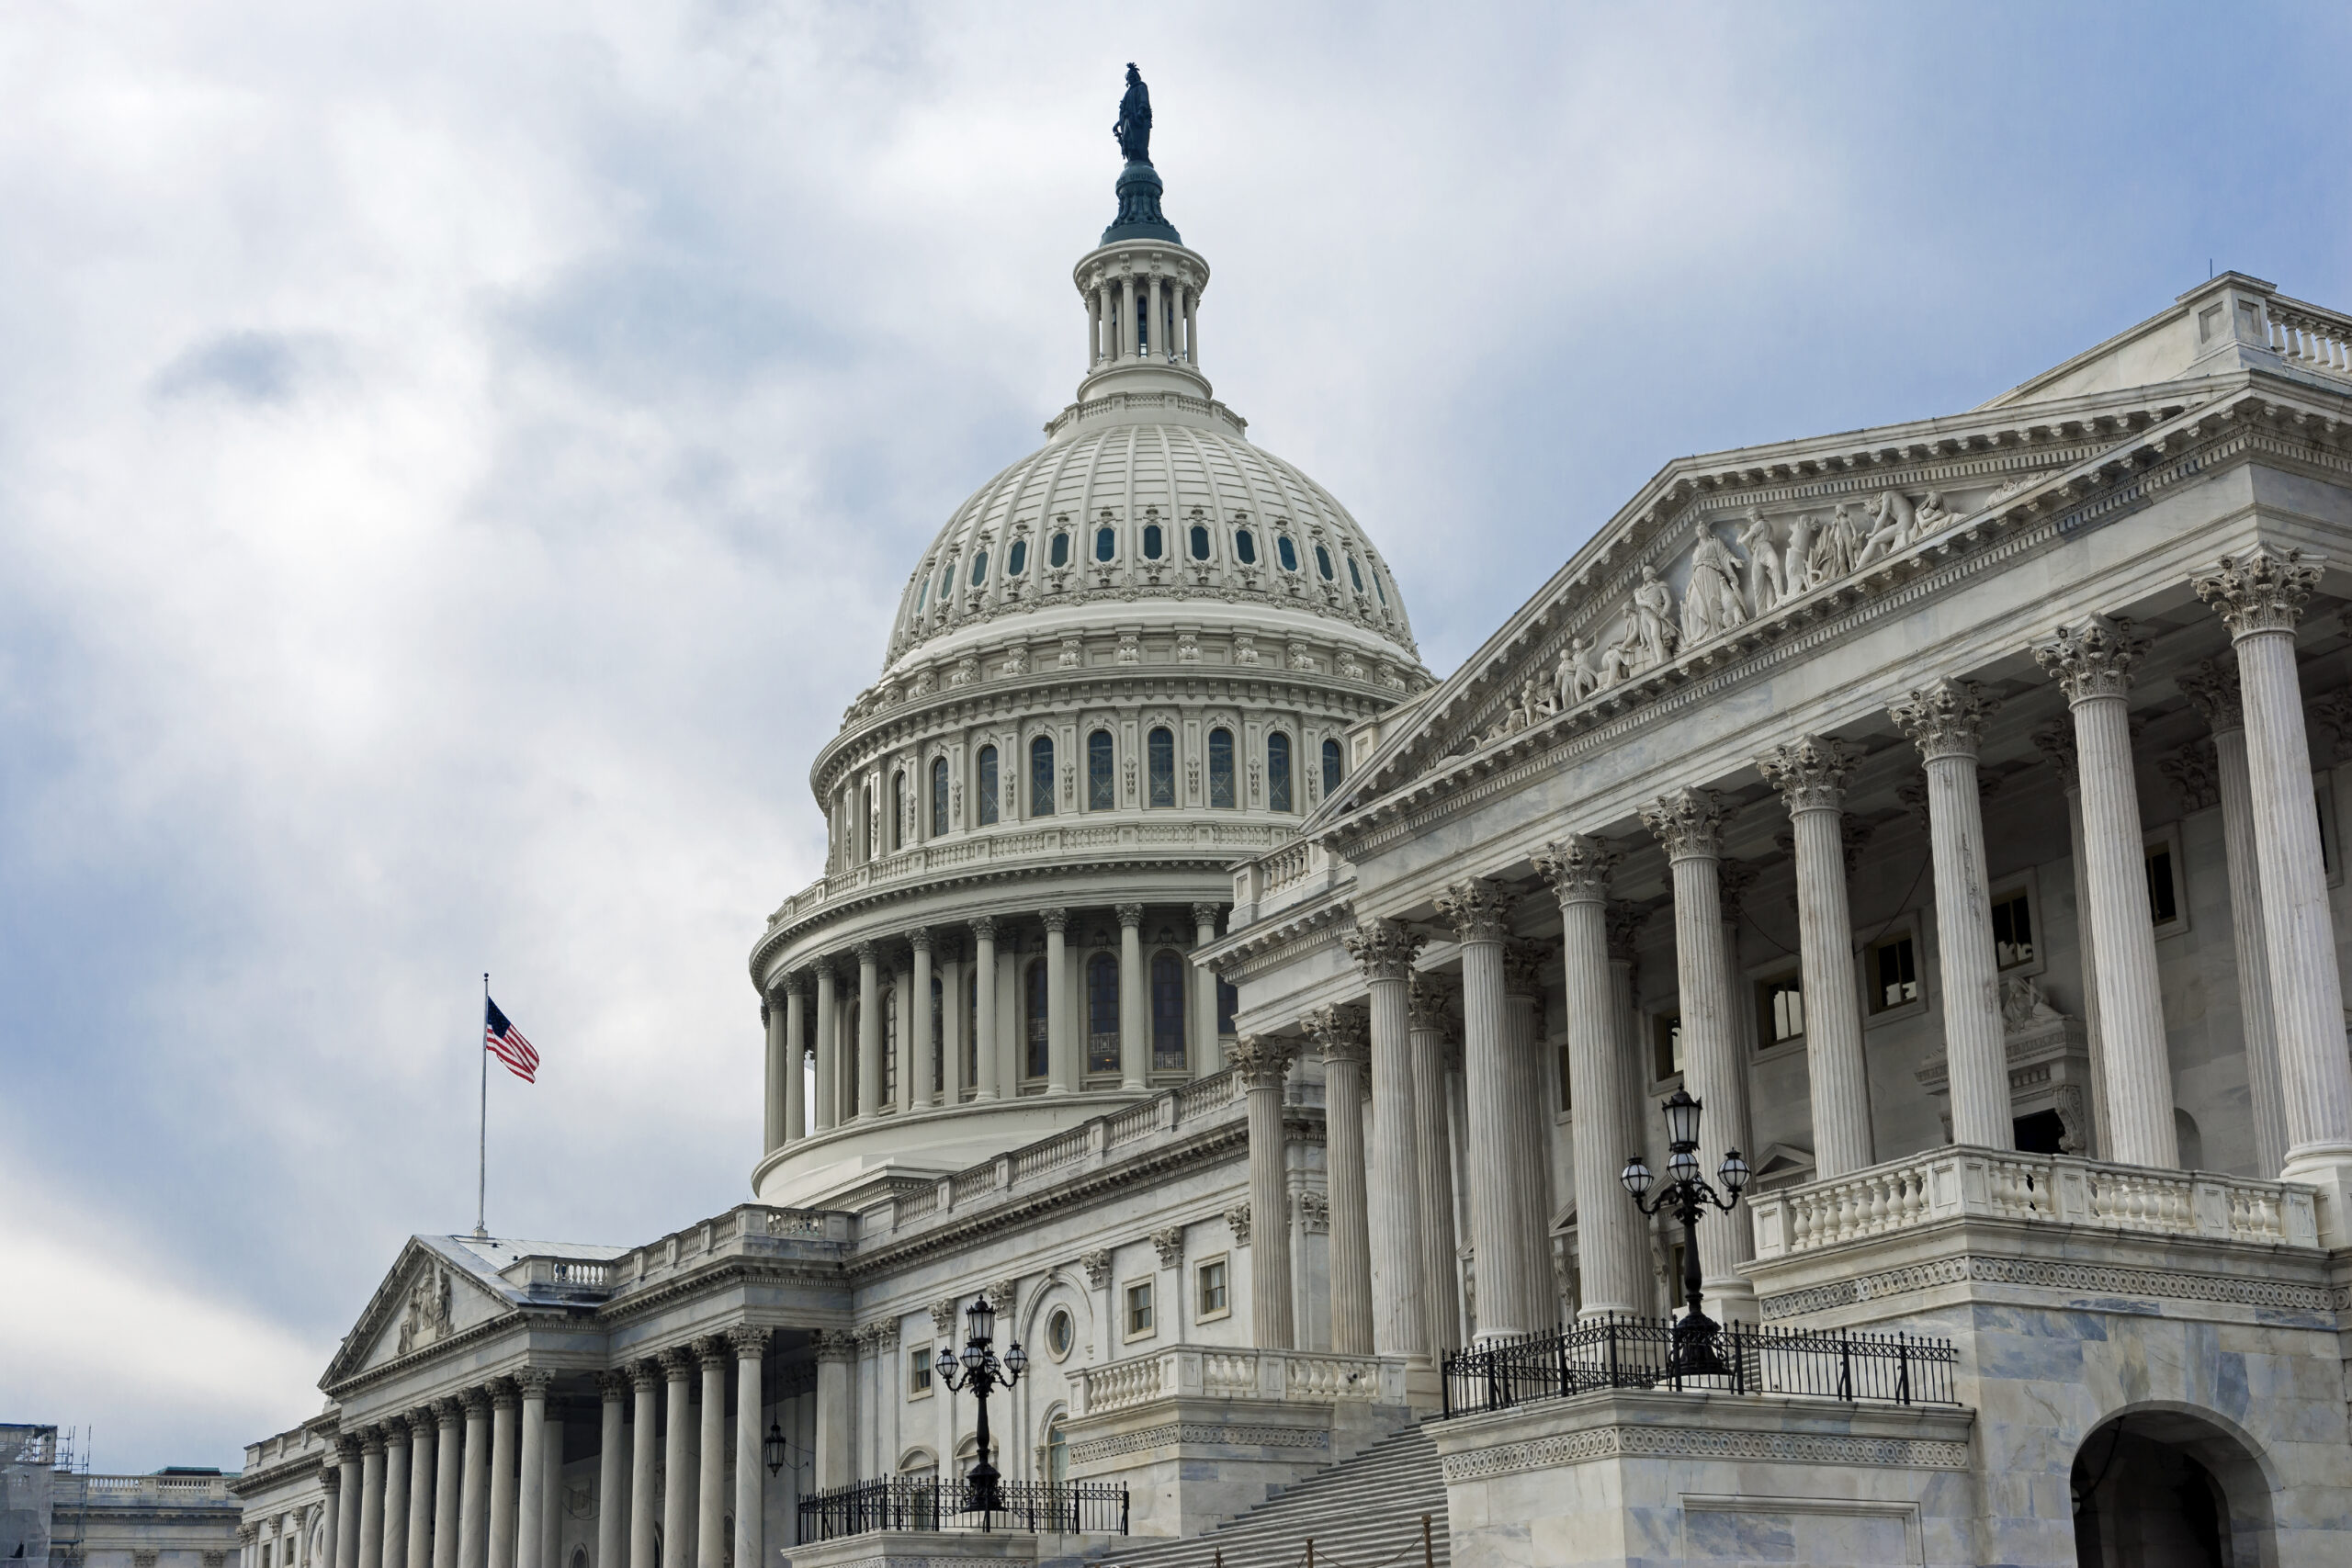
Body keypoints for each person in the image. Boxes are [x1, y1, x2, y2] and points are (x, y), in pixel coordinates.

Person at [1114, 63, 1152, 163]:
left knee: (1138, 143)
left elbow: (1144, 101)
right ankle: (1133, 161)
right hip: (1127, 121)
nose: (1129, 79)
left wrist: (1140, 113)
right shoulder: (1128, 92)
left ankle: (1142, 161)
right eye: (1128, 78)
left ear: (1136, 77)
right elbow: (1125, 110)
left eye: (1131, 77)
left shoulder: (1141, 87)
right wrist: (1118, 124)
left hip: (1137, 121)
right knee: (1128, 143)